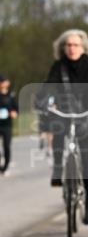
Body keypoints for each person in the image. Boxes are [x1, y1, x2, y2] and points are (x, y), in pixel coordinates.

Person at [43, 29, 88, 196]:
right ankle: (57, 169)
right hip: (64, 110)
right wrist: (45, 101)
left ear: (83, 47)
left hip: (85, 112)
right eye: (68, 45)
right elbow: (49, 86)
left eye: (76, 45)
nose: (72, 48)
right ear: (63, 48)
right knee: (58, 132)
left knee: (85, 152)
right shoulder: (59, 66)